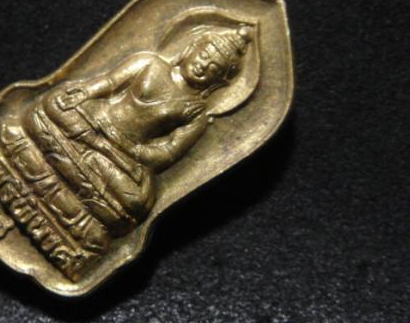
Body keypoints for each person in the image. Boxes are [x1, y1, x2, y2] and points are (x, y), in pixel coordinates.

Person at [23, 25, 253, 235]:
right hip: (93, 120)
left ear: (218, 81)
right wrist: (84, 93)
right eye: (203, 55)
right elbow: (110, 82)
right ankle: (82, 162)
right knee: (52, 104)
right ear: (191, 48)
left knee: (136, 201)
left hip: (122, 153)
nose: (202, 65)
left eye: (213, 68)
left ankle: (68, 153)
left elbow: (168, 153)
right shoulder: (149, 62)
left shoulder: (196, 113)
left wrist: (131, 149)